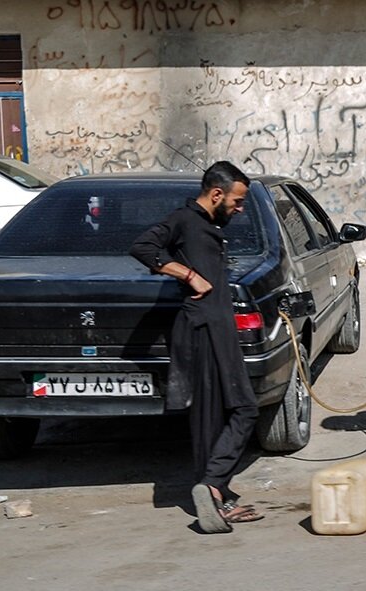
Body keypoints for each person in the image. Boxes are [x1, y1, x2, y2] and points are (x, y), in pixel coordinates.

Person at [129, 161, 263, 533]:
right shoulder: (186, 220)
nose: (240, 208)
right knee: (245, 409)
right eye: (236, 201)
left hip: (212, 326)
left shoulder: (207, 226)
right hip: (204, 327)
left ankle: (216, 494)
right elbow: (142, 245)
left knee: (210, 417)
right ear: (216, 194)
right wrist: (187, 274)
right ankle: (211, 484)